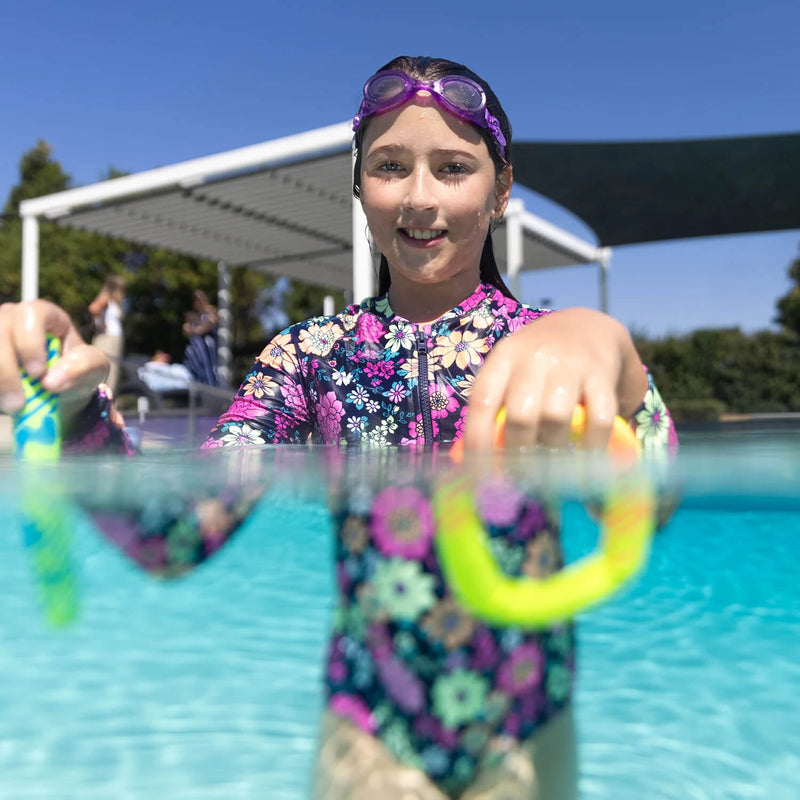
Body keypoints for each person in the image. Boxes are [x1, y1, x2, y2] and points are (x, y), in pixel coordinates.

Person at [0, 55, 677, 799]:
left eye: (453, 168)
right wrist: (72, 411)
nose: (419, 198)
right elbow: (172, 538)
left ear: (502, 191)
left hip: (530, 722)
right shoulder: (310, 356)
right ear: (359, 190)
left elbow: (648, 504)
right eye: (390, 166)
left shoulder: (551, 347)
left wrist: (616, 363)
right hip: (370, 728)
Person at [88, 274, 126, 395]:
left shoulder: (112, 301)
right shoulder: (106, 297)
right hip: (108, 339)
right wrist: (101, 323)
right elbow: (93, 308)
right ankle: (103, 401)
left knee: (111, 373)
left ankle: (107, 401)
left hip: (112, 338)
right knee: (106, 372)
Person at [182, 289, 219, 386]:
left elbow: (209, 325)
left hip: (208, 352)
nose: (197, 302)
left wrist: (197, 329)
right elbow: (186, 330)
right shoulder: (191, 316)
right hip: (195, 352)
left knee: (210, 374)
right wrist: (198, 329)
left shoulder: (212, 312)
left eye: (199, 299)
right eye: (195, 300)